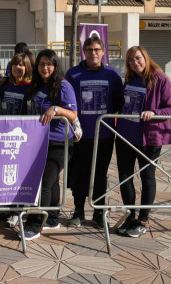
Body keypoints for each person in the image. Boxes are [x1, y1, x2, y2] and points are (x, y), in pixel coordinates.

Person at [65, 37, 123, 229]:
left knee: (100, 175)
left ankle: (99, 212)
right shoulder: (73, 74)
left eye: (97, 49)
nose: (93, 53)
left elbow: (119, 103)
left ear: (103, 51)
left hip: (104, 136)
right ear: (84, 51)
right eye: (89, 50)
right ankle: (78, 211)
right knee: (79, 174)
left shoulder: (112, 75)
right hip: (80, 135)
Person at [115, 46, 171, 238]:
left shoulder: (160, 79)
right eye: (131, 60)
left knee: (147, 178)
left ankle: (143, 220)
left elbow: (169, 108)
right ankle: (131, 217)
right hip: (125, 136)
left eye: (138, 58)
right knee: (124, 177)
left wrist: (155, 113)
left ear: (146, 58)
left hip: (149, 138)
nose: (135, 62)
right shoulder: (129, 80)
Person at [22, 49, 77, 241]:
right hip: (38, 140)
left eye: (49, 64)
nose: (45, 68)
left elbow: (73, 115)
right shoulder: (37, 85)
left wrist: (56, 108)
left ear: (55, 66)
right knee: (51, 182)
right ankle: (53, 218)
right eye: (42, 64)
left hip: (59, 142)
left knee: (43, 182)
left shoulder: (63, 86)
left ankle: (35, 224)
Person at [0, 53, 32, 228]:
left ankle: (17, 212)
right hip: (5, 136)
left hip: (22, 139)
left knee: (19, 176)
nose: (18, 68)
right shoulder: (6, 85)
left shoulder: (31, 87)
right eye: (15, 65)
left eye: (21, 65)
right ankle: (9, 207)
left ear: (27, 67)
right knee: (7, 174)